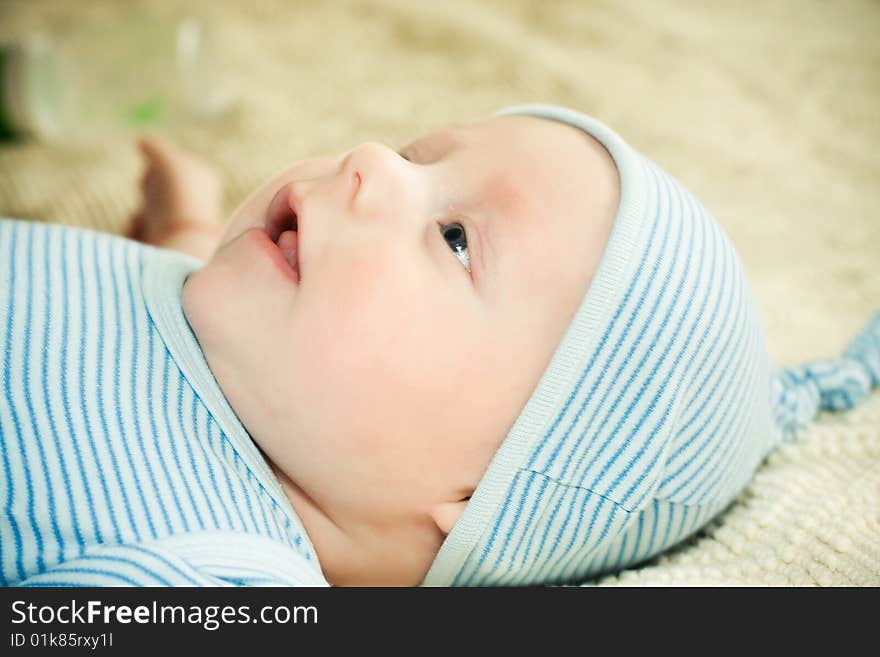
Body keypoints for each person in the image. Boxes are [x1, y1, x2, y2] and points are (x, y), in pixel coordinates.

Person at [1, 104, 877, 587]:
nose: (374, 157)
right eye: (423, 154)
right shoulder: (245, 344)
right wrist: (187, 219)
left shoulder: (222, 574)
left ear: (480, 499)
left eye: (456, 237)